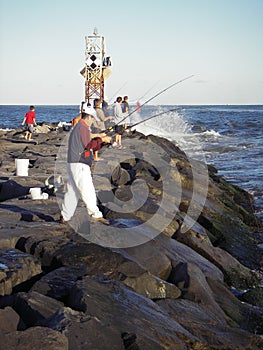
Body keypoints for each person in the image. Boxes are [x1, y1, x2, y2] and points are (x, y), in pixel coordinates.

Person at [60, 106, 109, 225]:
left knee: (73, 191)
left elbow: (89, 143)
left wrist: (99, 139)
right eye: (93, 119)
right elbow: (88, 145)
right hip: (79, 164)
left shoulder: (80, 127)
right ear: (89, 116)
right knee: (88, 189)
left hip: (74, 162)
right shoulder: (82, 128)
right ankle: (95, 214)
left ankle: (65, 216)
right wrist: (102, 140)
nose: (93, 122)